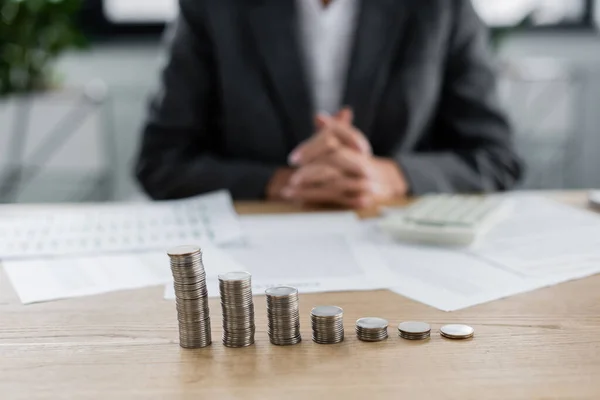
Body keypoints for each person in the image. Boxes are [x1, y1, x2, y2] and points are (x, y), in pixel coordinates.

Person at [135, 0, 523, 208]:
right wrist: (284, 183)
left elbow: (496, 157)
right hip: (254, 262)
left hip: (405, 256)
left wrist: (389, 176)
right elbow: (160, 161)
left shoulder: (440, 6)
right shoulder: (212, 7)